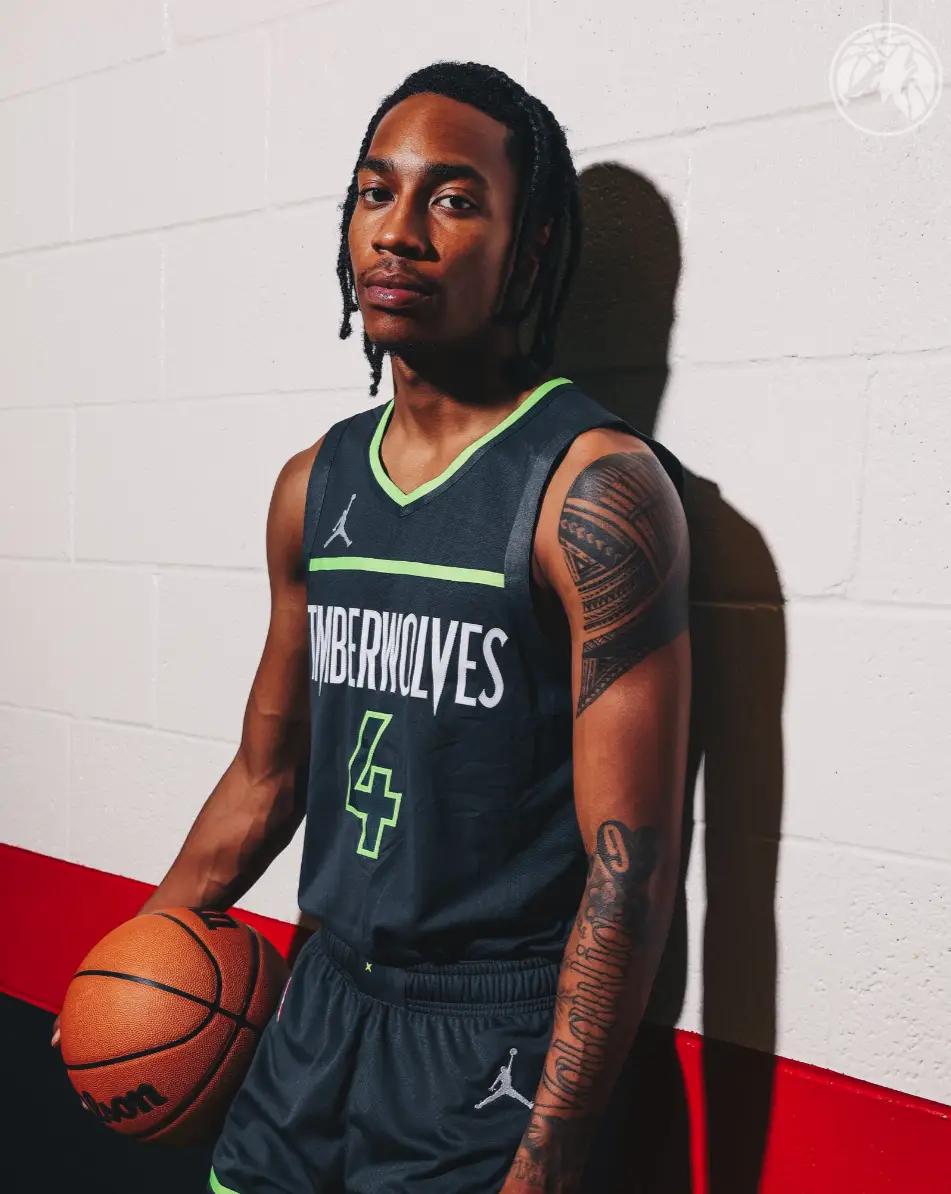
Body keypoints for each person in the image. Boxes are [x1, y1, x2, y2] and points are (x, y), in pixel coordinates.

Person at [54, 59, 691, 1193]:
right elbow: (266, 777)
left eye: (452, 199)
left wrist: (547, 1158)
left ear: (530, 245)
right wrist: (128, 968)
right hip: (314, 1007)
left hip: (487, 1046)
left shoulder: (590, 492)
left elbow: (625, 876)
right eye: (374, 192)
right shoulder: (314, 485)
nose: (398, 232)